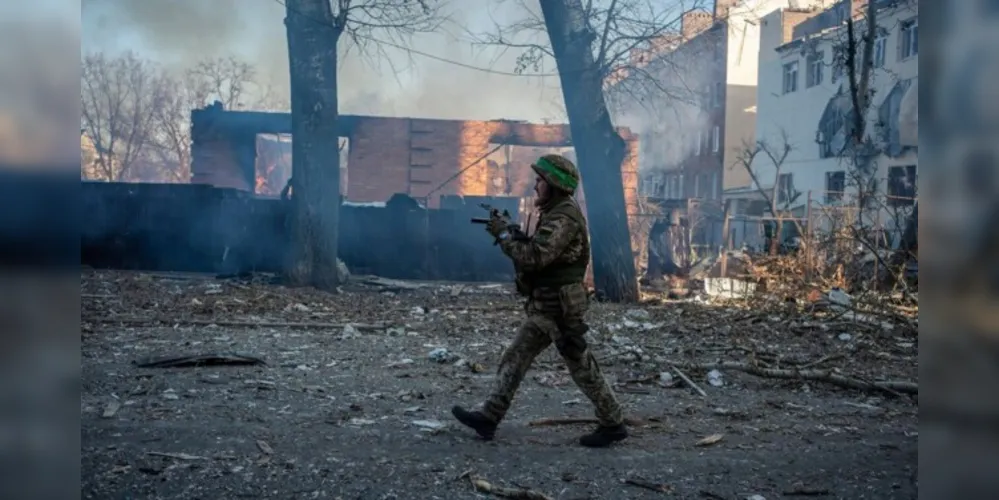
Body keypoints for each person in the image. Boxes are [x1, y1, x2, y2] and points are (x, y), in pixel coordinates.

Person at [451, 154, 628, 448]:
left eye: (540, 180)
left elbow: (535, 257)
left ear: (554, 184)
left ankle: (613, 423)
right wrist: (516, 233)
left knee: (580, 365)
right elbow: (541, 251)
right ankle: (489, 417)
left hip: (559, 309)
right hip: (546, 306)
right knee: (516, 356)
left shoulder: (563, 217)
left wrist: (506, 236)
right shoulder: (555, 212)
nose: (535, 186)